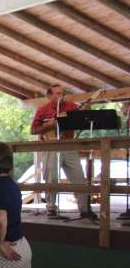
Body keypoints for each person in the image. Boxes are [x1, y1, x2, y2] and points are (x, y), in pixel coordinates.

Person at [30, 84, 93, 218]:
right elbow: (33, 130)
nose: (61, 96)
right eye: (58, 93)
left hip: (69, 145)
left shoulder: (70, 106)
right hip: (51, 145)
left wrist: (84, 111)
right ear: (49, 95)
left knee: (78, 177)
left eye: (62, 93)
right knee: (51, 177)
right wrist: (49, 125)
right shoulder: (43, 110)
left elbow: (81, 120)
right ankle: (51, 208)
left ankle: (85, 209)